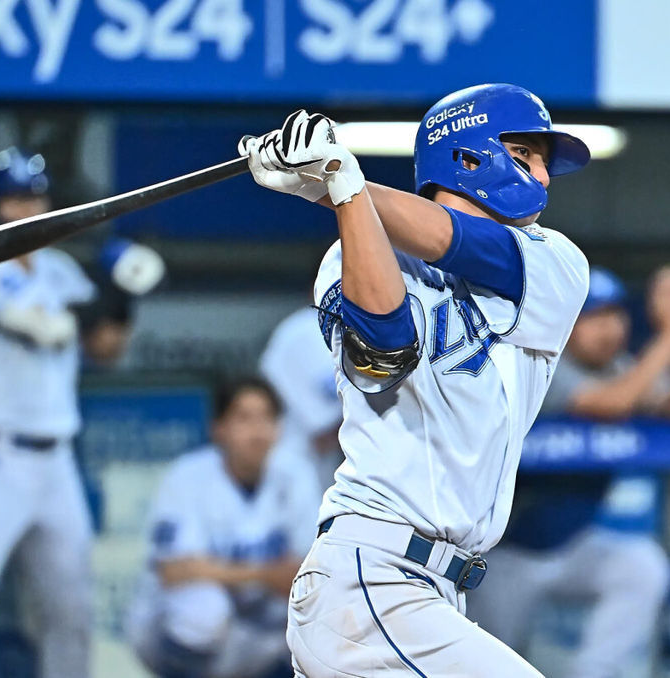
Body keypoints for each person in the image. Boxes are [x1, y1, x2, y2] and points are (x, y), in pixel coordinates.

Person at [243, 83, 591, 676]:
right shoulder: (349, 255)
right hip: (370, 576)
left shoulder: (556, 260)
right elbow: (384, 352)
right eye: (529, 154)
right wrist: (344, 194)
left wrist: (339, 185)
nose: (546, 177)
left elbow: (454, 240)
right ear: (471, 156)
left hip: (435, 592)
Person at [0, 147, 163, 678]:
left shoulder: (60, 269)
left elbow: (105, 346)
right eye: (17, 199)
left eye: (35, 198)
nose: (28, 210)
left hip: (55, 461)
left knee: (72, 608)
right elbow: (48, 327)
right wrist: (93, 298)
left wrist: (122, 289)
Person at [470, 265, 670, 677]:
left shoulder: (620, 369)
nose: (610, 328)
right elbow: (608, 404)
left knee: (642, 567)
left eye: (615, 315)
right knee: (492, 665)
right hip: (504, 552)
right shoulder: (538, 357)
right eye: (594, 317)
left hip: (573, 543)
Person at [125, 377, 320, 678]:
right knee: (204, 609)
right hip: (170, 631)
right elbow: (175, 570)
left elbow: (309, 568)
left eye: (266, 418)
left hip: (258, 627)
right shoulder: (188, 476)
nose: (258, 432)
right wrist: (264, 574)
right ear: (218, 428)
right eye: (244, 418)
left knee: (318, 607)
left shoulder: (295, 474)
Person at [259, 302, 343, 495]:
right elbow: (327, 428)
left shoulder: (347, 326)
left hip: (319, 469)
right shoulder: (307, 330)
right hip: (285, 463)